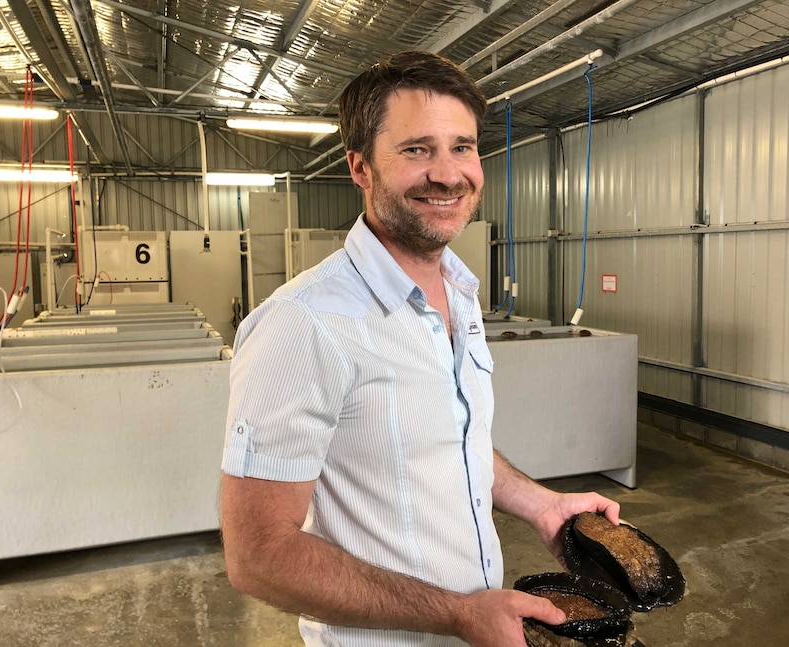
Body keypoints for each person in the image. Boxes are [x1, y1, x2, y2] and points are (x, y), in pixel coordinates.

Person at [220, 50, 620, 647]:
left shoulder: (458, 294)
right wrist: (457, 613)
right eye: (416, 150)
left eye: (462, 147)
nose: (448, 173)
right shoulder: (303, 324)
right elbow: (259, 556)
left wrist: (541, 506)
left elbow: (454, 445)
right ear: (361, 169)